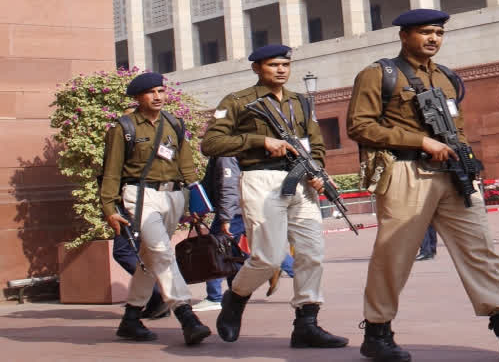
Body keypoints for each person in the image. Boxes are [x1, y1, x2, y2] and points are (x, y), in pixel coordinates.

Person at [346, 9, 499, 362]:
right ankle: (377, 332)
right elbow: (359, 126)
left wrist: (465, 158)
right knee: (394, 256)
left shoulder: (448, 78)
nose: (433, 38)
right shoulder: (379, 75)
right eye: (425, 32)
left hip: (454, 175)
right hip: (407, 172)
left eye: (439, 32)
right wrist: (420, 141)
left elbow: (457, 128)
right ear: (404, 36)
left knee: (480, 249)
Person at [201, 44, 347, 349]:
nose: (281, 70)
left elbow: (315, 144)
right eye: (272, 65)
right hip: (261, 178)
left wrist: (318, 171)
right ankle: (236, 297)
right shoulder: (238, 101)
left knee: (312, 253)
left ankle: (306, 323)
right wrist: (259, 141)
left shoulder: (300, 102)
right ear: (257, 68)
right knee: (268, 257)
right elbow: (211, 143)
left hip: (301, 181)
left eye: (285, 64)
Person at [98, 71, 210, 345]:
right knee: (162, 252)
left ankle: (131, 319)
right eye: (151, 92)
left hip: (173, 196)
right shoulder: (123, 128)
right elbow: (111, 171)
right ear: (138, 97)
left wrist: (195, 198)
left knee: (150, 259)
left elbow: (185, 164)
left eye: (161, 91)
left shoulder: (173, 122)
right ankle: (186, 316)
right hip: (140, 196)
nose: (158, 97)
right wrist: (110, 208)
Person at [196, 155, 246, 312]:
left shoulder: (226, 156)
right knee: (232, 253)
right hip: (236, 210)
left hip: (232, 212)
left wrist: (225, 218)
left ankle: (215, 296)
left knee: (215, 252)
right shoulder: (223, 154)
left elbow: (228, 186)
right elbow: (210, 183)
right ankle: (235, 292)